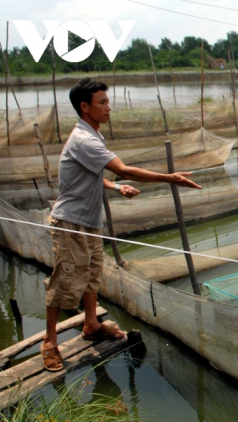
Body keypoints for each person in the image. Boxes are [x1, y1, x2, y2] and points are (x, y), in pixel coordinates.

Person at [41, 78, 201, 372]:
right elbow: (124, 169)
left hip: (89, 223)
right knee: (64, 281)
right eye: (102, 103)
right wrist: (170, 178)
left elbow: (90, 175)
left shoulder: (92, 135)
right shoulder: (85, 139)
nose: (108, 107)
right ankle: (49, 342)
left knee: (92, 275)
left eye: (108, 101)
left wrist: (116, 189)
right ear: (84, 107)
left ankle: (91, 324)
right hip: (70, 224)